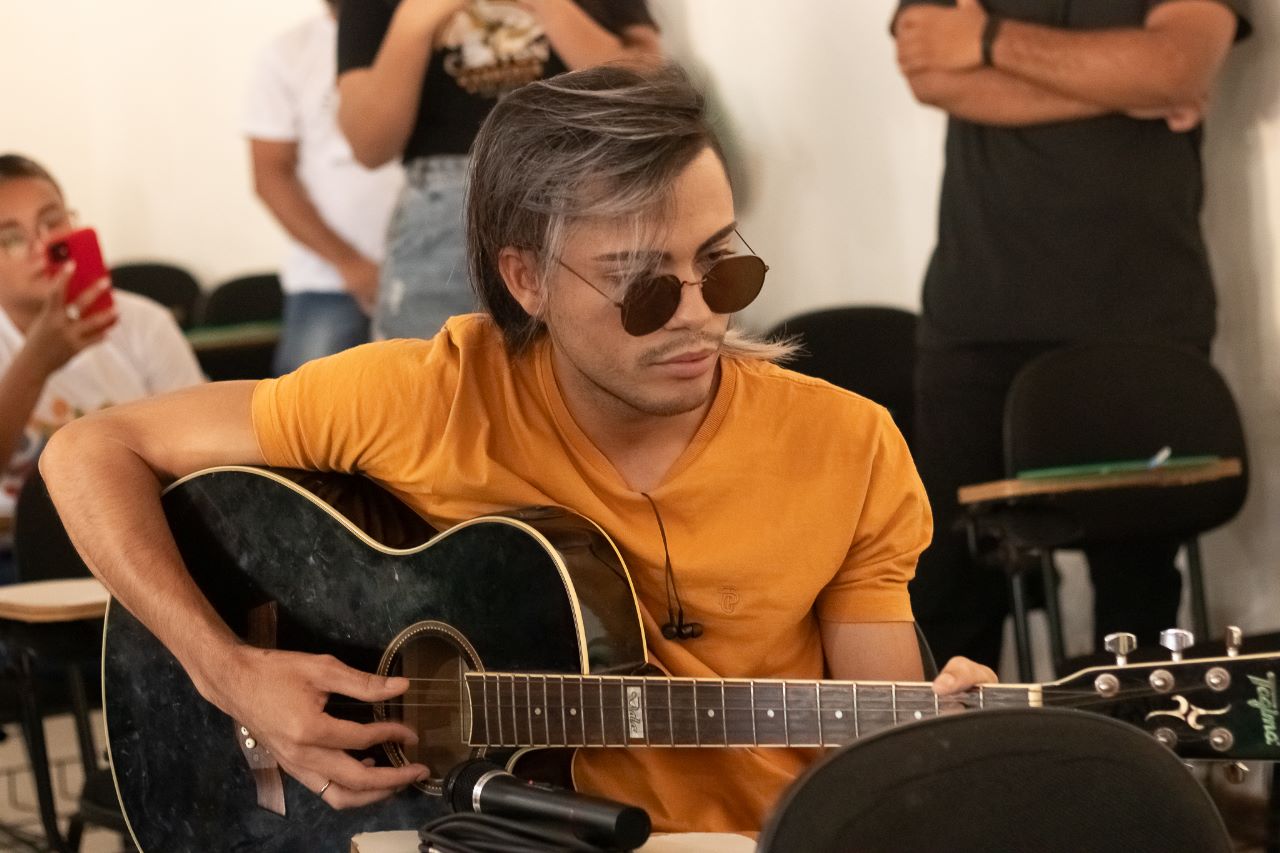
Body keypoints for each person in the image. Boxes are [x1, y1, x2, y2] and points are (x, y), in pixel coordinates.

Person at [41, 66, 993, 834]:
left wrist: (938, 737)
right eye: (642, 285)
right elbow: (88, 449)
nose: (699, 315)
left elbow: (882, 748)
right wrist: (227, 669)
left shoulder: (847, 443)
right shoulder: (429, 395)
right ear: (527, 278)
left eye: (722, 264)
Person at [892, 0, 1251, 668]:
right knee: (950, 596)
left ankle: (1131, 745)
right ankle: (965, 745)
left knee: (1138, 606)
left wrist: (985, 38)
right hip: (976, 322)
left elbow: (1175, 67)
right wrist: (1124, 86)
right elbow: (928, 71)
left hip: (1142, 324)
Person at [335, 0, 662, 341]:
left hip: (583, 189)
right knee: (431, 367)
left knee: (598, 355)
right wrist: (414, 19)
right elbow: (368, 145)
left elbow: (649, 98)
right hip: (444, 216)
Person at [0, 154, 204, 585]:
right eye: (11, 238)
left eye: (52, 221)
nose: (43, 245)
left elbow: (203, 445)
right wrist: (35, 363)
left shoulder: (143, 323)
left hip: (151, 534)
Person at [246, 0, 404, 375]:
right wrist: (350, 264)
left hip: (432, 274)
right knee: (305, 410)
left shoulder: (432, 34)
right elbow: (270, 176)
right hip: (327, 284)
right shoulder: (287, 52)